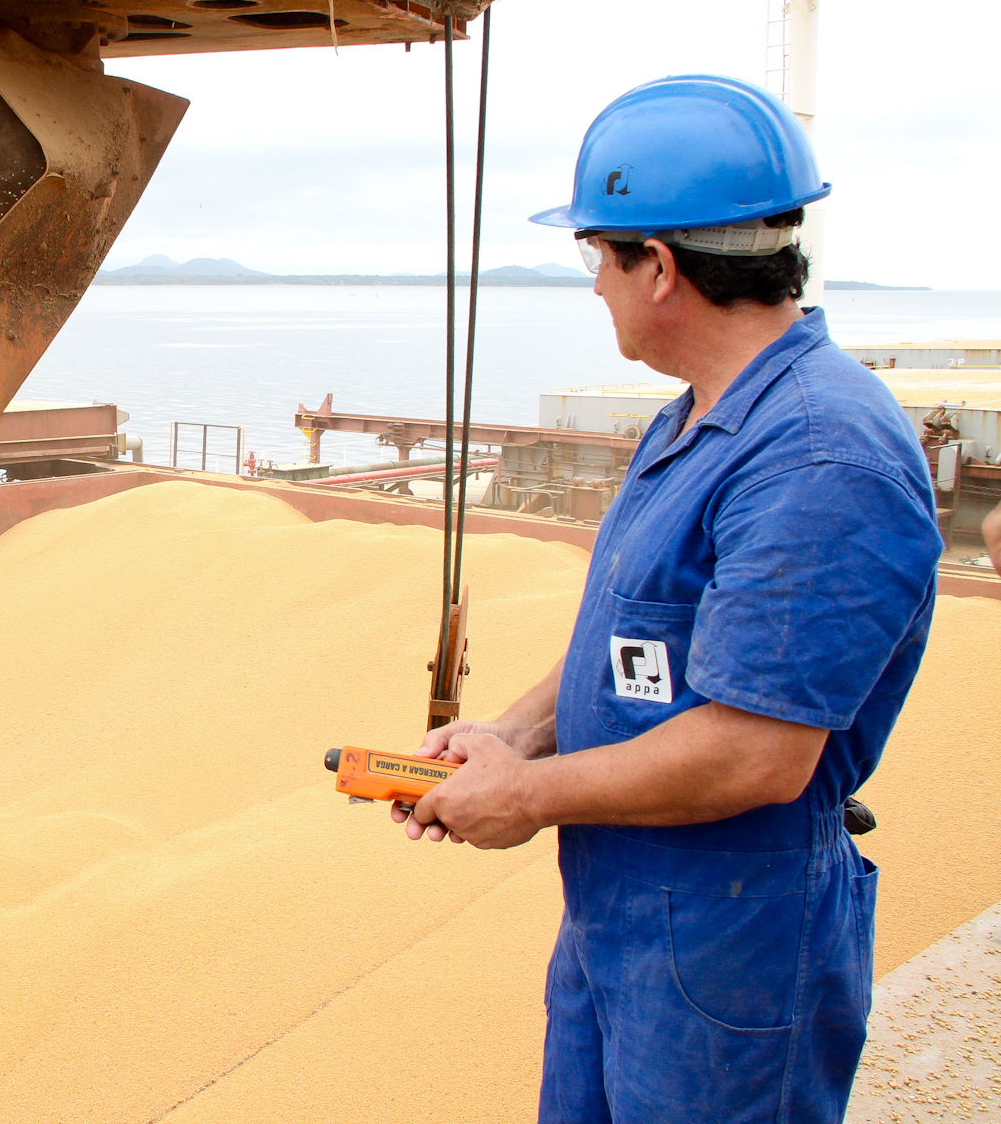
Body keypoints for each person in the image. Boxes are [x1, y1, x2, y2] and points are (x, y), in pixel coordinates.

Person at [398, 75, 943, 1124]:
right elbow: (632, 639)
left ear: (656, 267)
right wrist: (506, 735)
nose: (591, 284)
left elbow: (756, 753)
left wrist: (528, 795)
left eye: (594, 256)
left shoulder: (819, 456)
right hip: (624, 915)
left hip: (733, 939)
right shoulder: (701, 416)